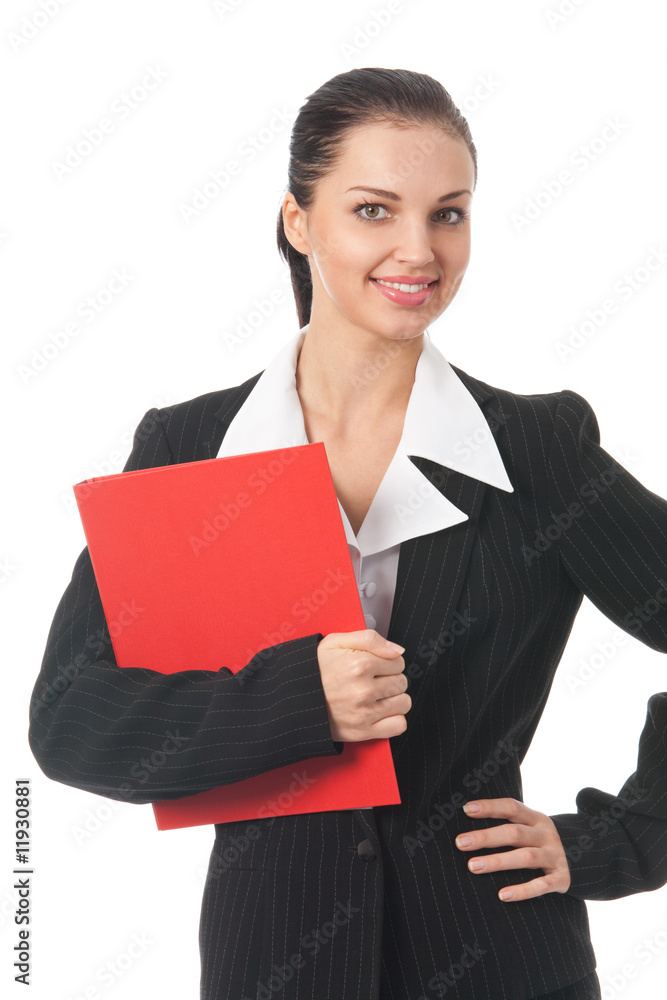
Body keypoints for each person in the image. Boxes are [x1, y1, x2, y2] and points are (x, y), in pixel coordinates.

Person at [28, 67, 667, 1000]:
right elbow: (71, 722)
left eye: (448, 214)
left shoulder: (534, 449)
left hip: (501, 966)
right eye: (374, 210)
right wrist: (296, 702)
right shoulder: (189, 450)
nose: (418, 249)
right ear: (299, 222)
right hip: (273, 969)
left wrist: (621, 839)